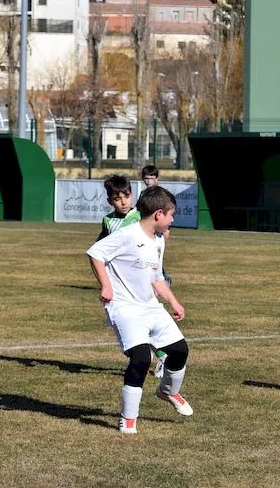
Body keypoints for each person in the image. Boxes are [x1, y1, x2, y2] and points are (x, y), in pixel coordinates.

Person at [87, 185, 192, 434]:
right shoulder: (127, 234)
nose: (173, 219)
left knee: (180, 351)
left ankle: (168, 392)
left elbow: (156, 277)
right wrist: (106, 286)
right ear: (158, 214)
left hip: (150, 306)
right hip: (125, 308)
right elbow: (95, 253)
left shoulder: (156, 240)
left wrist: (173, 302)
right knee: (142, 358)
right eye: (171, 214)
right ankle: (128, 419)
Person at [140, 165, 172, 377]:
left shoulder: (162, 198)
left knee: (144, 322)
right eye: (146, 177)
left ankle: (162, 357)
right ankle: (158, 356)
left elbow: (164, 232)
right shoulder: (142, 199)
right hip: (140, 272)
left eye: (152, 177)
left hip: (152, 274)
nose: (149, 180)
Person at [96, 174, 140, 241]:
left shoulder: (141, 216)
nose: (124, 202)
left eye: (127, 197)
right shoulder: (108, 220)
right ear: (110, 201)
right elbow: (102, 244)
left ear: (132, 195)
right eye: (117, 199)